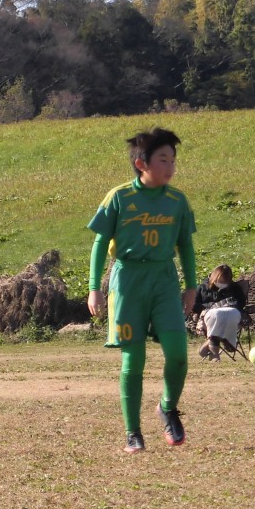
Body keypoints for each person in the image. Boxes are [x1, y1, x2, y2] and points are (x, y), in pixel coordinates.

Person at [87, 127, 197, 454]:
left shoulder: (177, 201)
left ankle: (167, 407)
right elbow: (99, 244)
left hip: (164, 279)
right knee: (133, 360)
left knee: (178, 354)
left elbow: (185, 245)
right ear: (141, 164)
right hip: (128, 281)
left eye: (173, 160)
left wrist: (191, 286)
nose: (170, 166)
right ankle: (132, 432)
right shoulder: (119, 197)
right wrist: (94, 288)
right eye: (163, 159)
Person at [193, 264, 247, 360]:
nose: (222, 284)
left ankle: (212, 342)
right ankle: (218, 347)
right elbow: (194, 306)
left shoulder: (234, 288)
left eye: (225, 282)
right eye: (220, 281)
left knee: (225, 314)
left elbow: (241, 303)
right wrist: (212, 306)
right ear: (214, 277)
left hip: (229, 317)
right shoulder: (202, 288)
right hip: (208, 318)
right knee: (216, 315)